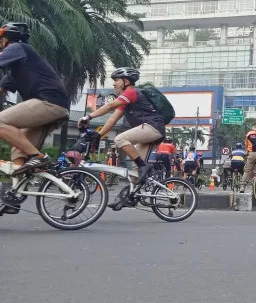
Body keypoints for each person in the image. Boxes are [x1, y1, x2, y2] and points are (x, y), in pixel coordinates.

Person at [78, 67, 165, 210]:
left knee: (120, 139)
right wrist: (99, 135)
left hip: (153, 128)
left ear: (125, 82)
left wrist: (89, 116)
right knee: (136, 170)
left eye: (116, 81)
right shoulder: (126, 101)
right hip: (151, 132)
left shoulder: (131, 92)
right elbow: (112, 119)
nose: (114, 85)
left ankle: (144, 167)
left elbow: (110, 105)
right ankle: (130, 196)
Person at [0, 23, 70, 176]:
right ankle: (15, 191)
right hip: (54, 108)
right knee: (19, 153)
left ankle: (38, 157)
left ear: (6, 39)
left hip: (48, 103)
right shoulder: (16, 70)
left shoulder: (18, 47)